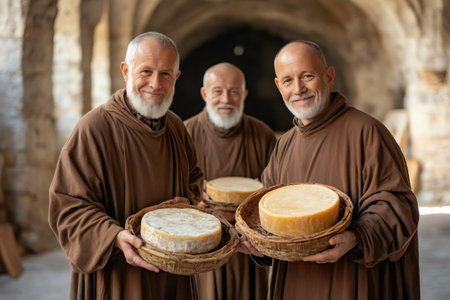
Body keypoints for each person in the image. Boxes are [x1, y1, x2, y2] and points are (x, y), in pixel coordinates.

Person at [256, 41, 420, 299]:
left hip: (353, 281)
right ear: (279, 86)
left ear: (329, 76)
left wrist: (357, 237)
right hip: (296, 282)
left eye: (307, 76)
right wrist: (257, 242)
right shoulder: (285, 144)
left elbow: (399, 206)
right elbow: (266, 210)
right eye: (288, 81)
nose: (298, 89)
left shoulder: (367, 132)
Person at [48, 32, 203, 300]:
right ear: (125, 70)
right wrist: (114, 236)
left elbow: (193, 179)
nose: (155, 83)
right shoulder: (94, 129)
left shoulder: (177, 127)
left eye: (165, 74)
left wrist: (188, 203)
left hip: (172, 273)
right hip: (117, 275)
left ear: (176, 77)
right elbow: (68, 207)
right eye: (146, 71)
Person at [184, 62, 277, 300]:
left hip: (247, 249)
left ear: (244, 95)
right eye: (217, 91)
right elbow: (169, 192)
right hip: (200, 248)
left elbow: (278, 189)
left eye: (234, 91)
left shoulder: (263, 135)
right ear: (205, 94)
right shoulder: (184, 134)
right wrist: (194, 199)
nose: (226, 98)